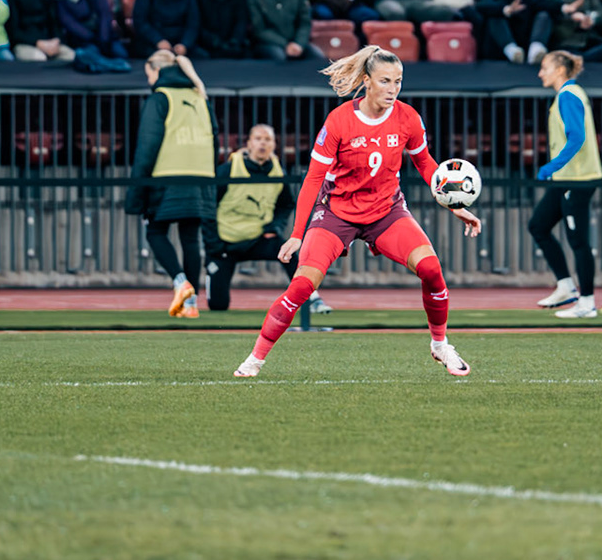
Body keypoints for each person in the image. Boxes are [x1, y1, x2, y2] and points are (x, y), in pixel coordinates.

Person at [233, 46, 482, 378]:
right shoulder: (339, 120)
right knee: (302, 286)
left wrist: (456, 205)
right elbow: (313, 178)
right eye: (385, 81)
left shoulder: (408, 117)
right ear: (366, 81)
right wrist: (296, 234)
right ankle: (255, 359)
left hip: (386, 211)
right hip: (336, 213)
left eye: (398, 81)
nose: (393, 89)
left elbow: (425, 163)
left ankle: (440, 345)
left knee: (432, 269)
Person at [126, 51, 216, 318]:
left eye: (148, 74)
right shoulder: (200, 95)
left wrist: (137, 191)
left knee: (154, 231)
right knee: (190, 238)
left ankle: (181, 282)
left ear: (155, 69)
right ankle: (191, 305)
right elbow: (215, 136)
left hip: (167, 176)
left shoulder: (160, 97)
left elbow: (147, 145)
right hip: (201, 177)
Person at [526, 50, 602, 318]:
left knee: (578, 241)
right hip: (566, 179)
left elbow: (576, 138)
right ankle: (566, 286)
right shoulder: (567, 94)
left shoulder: (569, 95)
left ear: (559, 70)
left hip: (577, 179)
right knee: (538, 225)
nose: (540, 73)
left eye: (544, 67)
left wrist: (551, 166)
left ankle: (587, 303)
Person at [205, 124, 314, 315]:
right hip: (225, 242)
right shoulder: (228, 170)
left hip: (258, 238)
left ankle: (308, 299)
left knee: (288, 253)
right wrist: (214, 243)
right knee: (218, 305)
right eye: (258, 139)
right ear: (249, 144)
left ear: (274, 145)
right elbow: (208, 206)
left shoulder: (278, 172)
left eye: (267, 139)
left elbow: (286, 205)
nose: (262, 143)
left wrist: (275, 227)